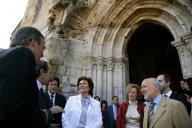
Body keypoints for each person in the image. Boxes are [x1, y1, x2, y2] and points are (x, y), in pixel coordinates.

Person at [0, 26, 46, 127]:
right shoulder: (23, 54)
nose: (42, 54)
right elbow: (19, 110)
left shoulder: (4, 54)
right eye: (42, 48)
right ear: (33, 42)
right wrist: (46, 115)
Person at [36, 60, 63, 128]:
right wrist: (51, 111)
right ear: (42, 71)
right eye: (50, 73)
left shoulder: (40, 90)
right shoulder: (31, 88)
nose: (51, 77)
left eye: (56, 85)